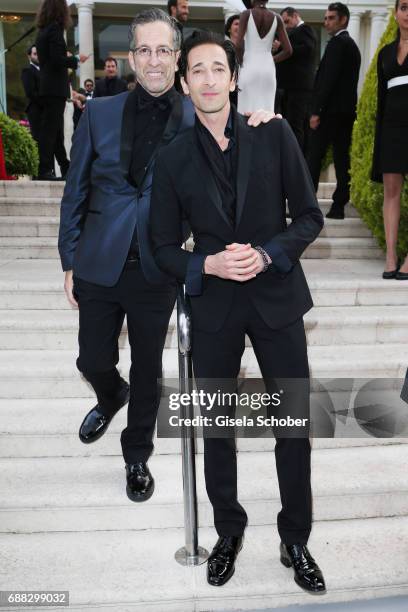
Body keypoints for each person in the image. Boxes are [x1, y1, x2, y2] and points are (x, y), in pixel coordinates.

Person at [58, 9, 275, 503]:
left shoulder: (193, 113)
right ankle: (108, 393)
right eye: (144, 50)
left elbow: (235, 128)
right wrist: (68, 260)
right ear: (131, 57)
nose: (154, 60)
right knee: (92, 357)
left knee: (148, 367)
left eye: (163, 50)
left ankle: (136, 455)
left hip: (160, 263)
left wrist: (264, 119)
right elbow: (75, 191)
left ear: (177, 59)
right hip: (99, 257)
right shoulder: (99, 112)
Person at [150, 30, 325, 592]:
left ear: (232, 77)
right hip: (216, 308)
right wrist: (208, 266)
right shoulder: (172, 157)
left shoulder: (272, 133)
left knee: (292, 424)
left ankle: (295, 538)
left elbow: (307, 215)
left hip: (277, 300)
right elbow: (158, 248)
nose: (207, 79)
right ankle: (228, 532)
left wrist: (271, 254)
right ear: (184, 83)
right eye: (196, 70)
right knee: (217, 429)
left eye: (216, 69)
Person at [306, 2, 361, 219]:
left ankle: (307, 206)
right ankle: (338, 206)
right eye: (326, 17)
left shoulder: (338, 44)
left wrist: (316, 111)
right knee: (341, 159)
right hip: (345, 114)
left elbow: (327, 80)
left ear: (343, 19)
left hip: (329, 113)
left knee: (314, 157)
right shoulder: (353, 46)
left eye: (330, 18)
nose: (326, 21)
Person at [371, 0, 408, 280]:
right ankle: (391, 256)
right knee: (391, 193)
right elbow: (381, 102)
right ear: (396, 12)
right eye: (405, 7)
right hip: (392, 130)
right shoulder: (384, 53)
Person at [35, 0, 89, 180]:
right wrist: (75, 59)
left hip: (47, 87)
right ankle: (45, 170)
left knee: (55, 131)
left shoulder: (43, 31)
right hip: (55, 88)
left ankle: (65, 167)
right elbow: (57, 60)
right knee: (50, 131)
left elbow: (50, 59)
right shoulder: (55, 31)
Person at [236, 0, 292, 113]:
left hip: (249, 65)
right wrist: (271, 60)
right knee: (266, 113)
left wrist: (241, 62)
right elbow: (288, 50)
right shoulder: (277, 18)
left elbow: (238, 46)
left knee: (245, 112)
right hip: (268, 69)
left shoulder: (246, 14)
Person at [274, 7, 317, 151]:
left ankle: (296, 157)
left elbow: (307, 48)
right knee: (292, 122)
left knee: (295, 123)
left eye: (287, 21)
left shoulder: (305, 29)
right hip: (291, 87)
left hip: (299, 86)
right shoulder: (292, 33)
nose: (285, 26)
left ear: (296, 16)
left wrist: (283, 47)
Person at [21, 45, 42, 145]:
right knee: (37, 140)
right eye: (35, 54)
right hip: (36, 110)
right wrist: (46, 102)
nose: (38, 56)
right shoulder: (27, 71)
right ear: (29, 56)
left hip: (46, 111)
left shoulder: (44, 71)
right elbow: (30, 93)